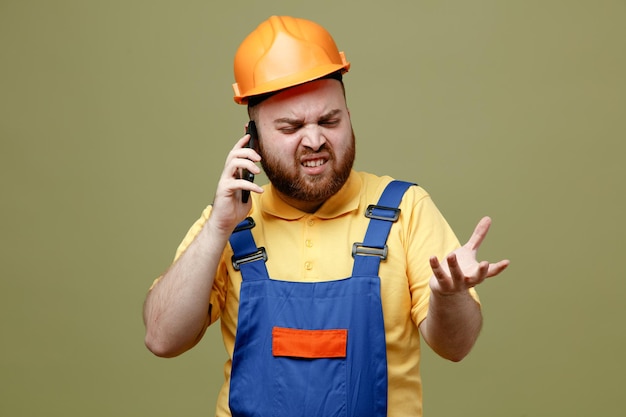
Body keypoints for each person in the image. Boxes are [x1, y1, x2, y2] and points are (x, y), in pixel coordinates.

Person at [143, 15, 509, 417]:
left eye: (329, 121)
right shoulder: (230, 221)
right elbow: (162, 339)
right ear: (252, 137)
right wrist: (217, 228)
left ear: (349, 117)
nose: (314, 140)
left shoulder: (406, 209)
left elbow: (456, 347)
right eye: (291, 126)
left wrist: (450, 296)